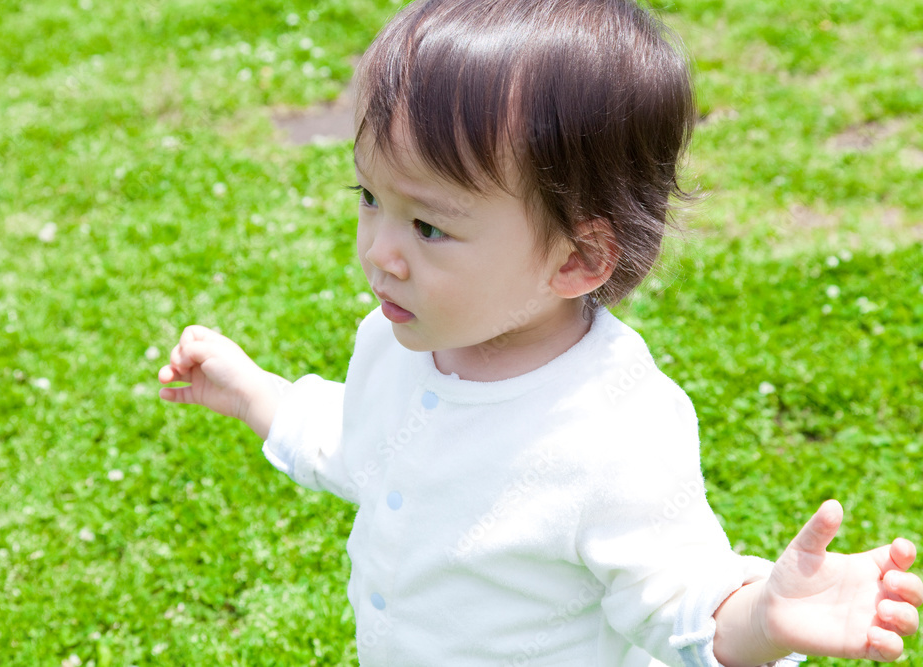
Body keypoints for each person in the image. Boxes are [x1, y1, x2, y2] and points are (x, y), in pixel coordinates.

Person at [157, 0, 923, 664]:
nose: (379, 251)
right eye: (369, 197)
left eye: (428, 226)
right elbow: (362, 442)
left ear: (576, 258)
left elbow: (682, 598)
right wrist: (255, 392)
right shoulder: (394, 344)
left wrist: (765, 618)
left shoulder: (614, 428)